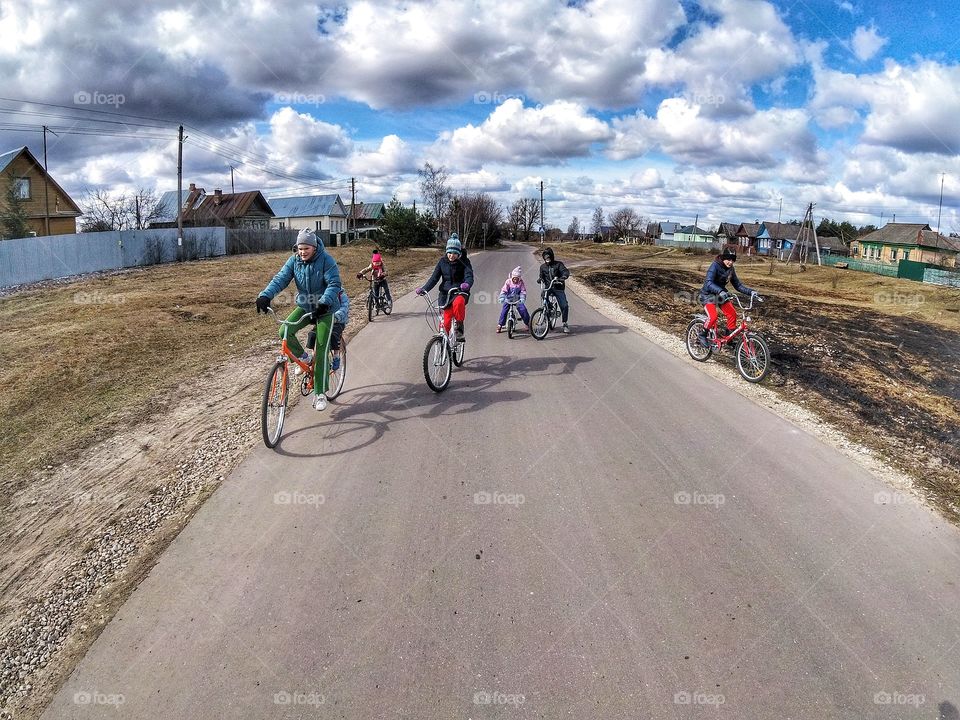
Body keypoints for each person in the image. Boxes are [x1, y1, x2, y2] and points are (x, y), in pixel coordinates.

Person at [255, 228, 342, 411]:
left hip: (325, 310)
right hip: (305, 306)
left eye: (306, 248)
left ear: (314, 247)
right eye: (300, 248)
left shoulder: (326, 260)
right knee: (284, 331)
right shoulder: (294, 261)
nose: (302, 252)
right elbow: (280, 279)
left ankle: (319, 394)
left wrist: (324, 303)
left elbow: (334, 284)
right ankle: (303, 358)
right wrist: (265, 296)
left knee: (321, 349)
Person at [415, 233, 474, 341]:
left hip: (459, 291)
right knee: (446, 321)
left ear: (459, 253)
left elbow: (469, 276)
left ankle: (459, 329)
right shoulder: (442, 262)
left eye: (455, 253)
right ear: (446, 252)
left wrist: (467, 284)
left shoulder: (464, 262)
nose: (452, 255)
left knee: (458, 303)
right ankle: (442, 345)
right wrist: (424, 289)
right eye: (449, 253)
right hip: (445, 294)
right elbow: (434, 278)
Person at [697, 247, 758, 345]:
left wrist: (750, 292)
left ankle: (729, 338)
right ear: (723, 258)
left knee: (732, 314)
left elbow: (737, 285)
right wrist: (720, 291)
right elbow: (708, 282)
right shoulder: (715, 266)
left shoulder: (731, 269)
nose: (730, 262)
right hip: (708, 295)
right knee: (713, 317)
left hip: (721, 295)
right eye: (728, 259)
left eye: (732, 260)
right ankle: (702, 335)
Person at [537, 247, 571, 333]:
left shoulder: (558, 264)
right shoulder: (542, 267)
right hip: (549, 287)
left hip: (558, 288)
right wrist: (540, 279)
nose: (547, 259)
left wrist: (563, 277)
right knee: (543, 294)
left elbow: (565, 271)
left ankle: (565, 323)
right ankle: (549, 309)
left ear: (552, 256)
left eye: (548, 257)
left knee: (564, 306)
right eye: (545, 257)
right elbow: (541, 276)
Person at [497, 265, 530, 332]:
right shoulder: (508, 282)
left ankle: (527, 323)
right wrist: (502, 297)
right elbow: (504, 290)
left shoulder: (521, 283)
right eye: (514, 278)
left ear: (519, 278)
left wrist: (522, 298)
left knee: (523, 309)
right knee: (504, 310)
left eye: (517, 279)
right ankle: (500, 325)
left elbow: (523, 291)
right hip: (508, 299)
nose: (515, 280)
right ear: (512, 277)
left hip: (517, 299)